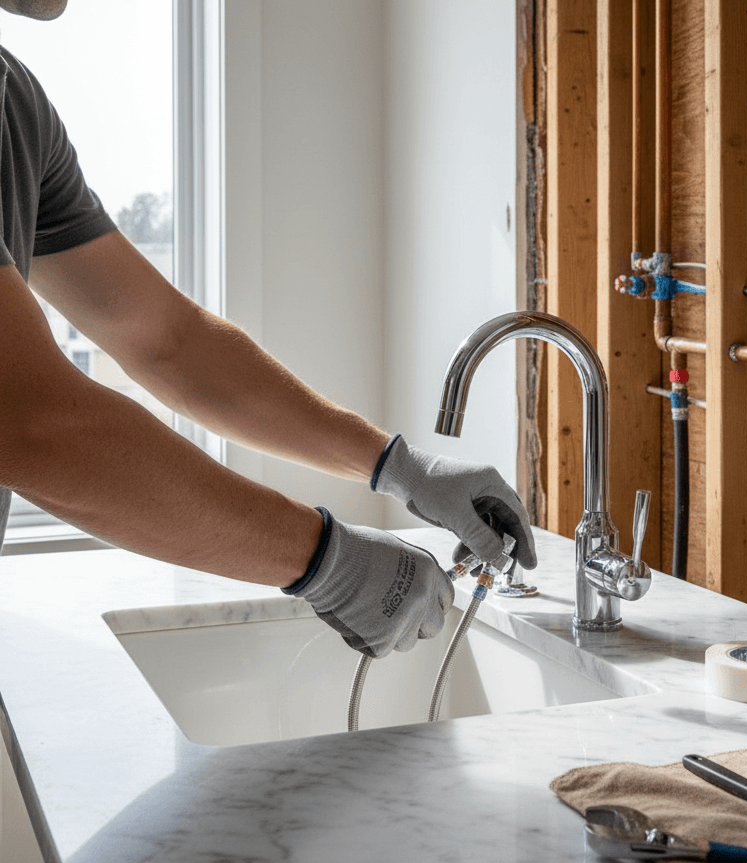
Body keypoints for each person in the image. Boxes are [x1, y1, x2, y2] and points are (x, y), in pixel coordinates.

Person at [0, 0, 535, 657]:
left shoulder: (13, 105)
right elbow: (34, 424)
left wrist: (399, 467)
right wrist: (324, 560)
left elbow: (170, 341)